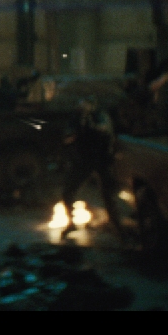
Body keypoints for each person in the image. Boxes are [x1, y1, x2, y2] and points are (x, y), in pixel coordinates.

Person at [61, 96, 123, 239]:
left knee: (108, 196)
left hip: (102, 159)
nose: (83, 106)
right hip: (84, 160)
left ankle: (118, 228)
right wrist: (76, 133)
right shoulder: (77, 118)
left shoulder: (99, 115)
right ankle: (71, 223)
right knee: (68, 192)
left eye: (86, 104)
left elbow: (105, 130)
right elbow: (67, 138)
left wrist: (90, 126)